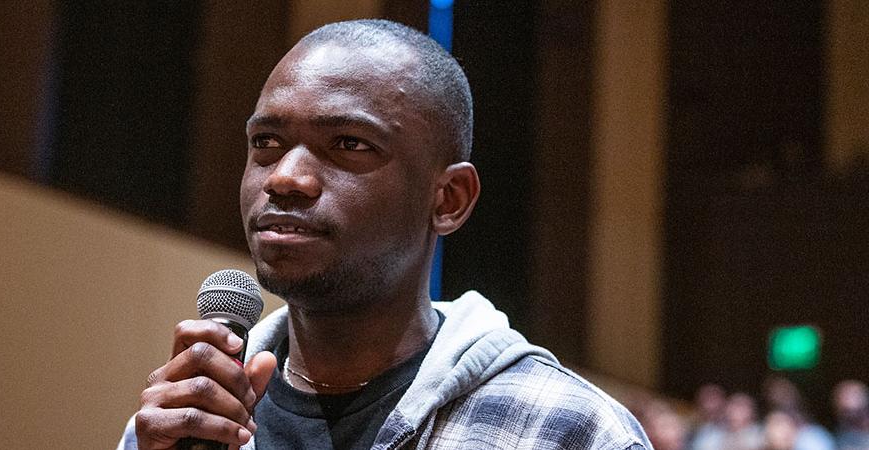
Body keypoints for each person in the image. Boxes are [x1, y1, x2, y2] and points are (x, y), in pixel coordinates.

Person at [118, 19, 649, 449]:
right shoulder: (190, 415)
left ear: (448, 199)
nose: (284, 177)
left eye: (349, 144)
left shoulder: (564, 431)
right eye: (267, 141)